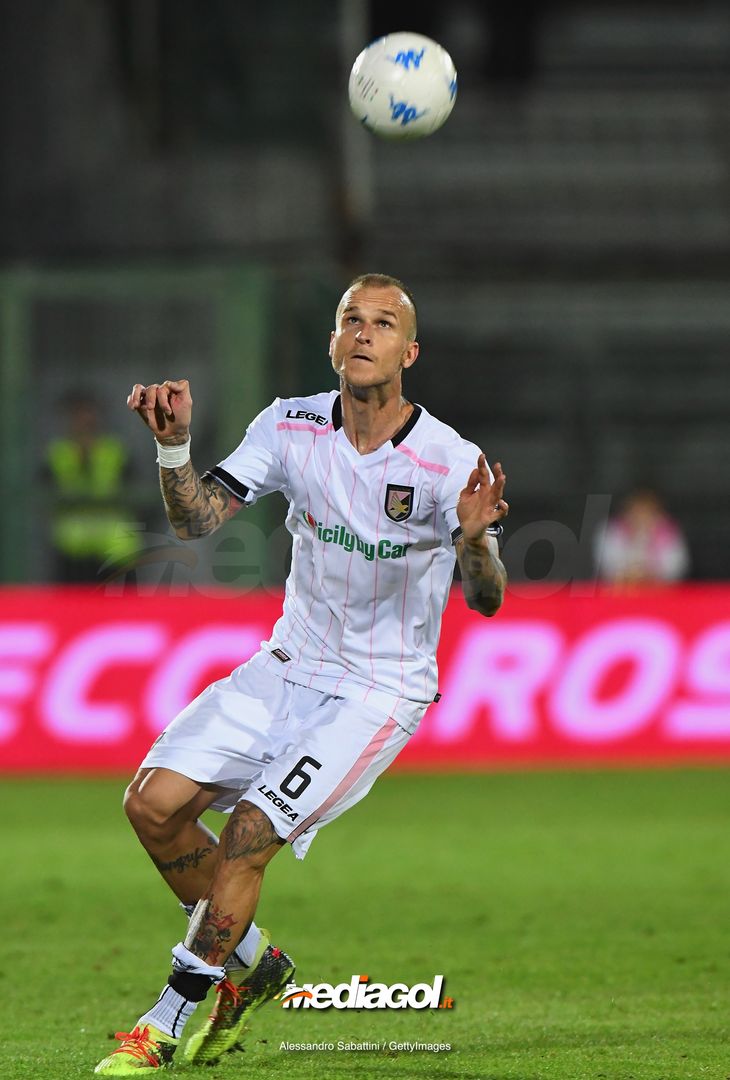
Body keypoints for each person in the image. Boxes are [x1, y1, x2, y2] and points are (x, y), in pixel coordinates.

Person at [94, 273, 508, 1074]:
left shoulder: (447, 461)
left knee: (250, 831)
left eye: (383, 324)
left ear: (408, 352)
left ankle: (165, 1020)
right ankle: (258, 962)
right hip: (289, 663)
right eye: (350, 318)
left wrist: (470, 542)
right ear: (331, 340)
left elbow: (486, 601)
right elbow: (196, 519)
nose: (363, 332)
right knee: (152, 805)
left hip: (379, 691)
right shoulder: (288, 425)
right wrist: (173, 445)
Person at [45, 394, 141, 582]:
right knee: (73, 609)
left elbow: (136, 491)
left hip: (115, 548)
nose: (84, 421)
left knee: (120, 609)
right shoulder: (57, 452)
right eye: (78, 415)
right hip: (72, 548)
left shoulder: (115, 450)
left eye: (88, 415)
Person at [594, 488, 689, 586]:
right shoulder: (612, 530)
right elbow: (607, 565)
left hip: (659, 592)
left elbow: (677, 567)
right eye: (636, 510)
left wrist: (650, 575)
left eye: (647, 510)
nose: (641, 515)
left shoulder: (668, 532)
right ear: (626, 510)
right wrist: (628, 574)